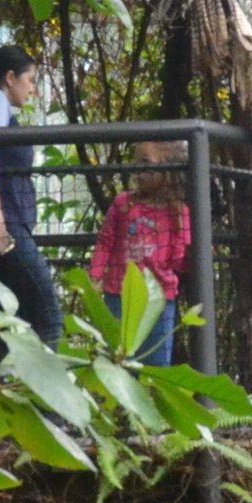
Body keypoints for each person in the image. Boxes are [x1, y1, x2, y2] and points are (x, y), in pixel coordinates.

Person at [0, 44, 63, 341]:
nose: (33, 89)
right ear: (9, 77)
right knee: (48, 318)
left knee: (4, 321)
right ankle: (41, 388)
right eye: (30, 79)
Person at [89, 140, 193, 364]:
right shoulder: (123, 204)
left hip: (159, 300)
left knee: (156, 366)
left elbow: (178, 261)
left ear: (167, 170)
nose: (138, 170)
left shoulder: (178, 213)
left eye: (145, 163)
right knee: (119, 362)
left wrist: (189, 249)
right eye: (135, 162)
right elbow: (105, 241)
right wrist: (95, 276)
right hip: (119, 295)